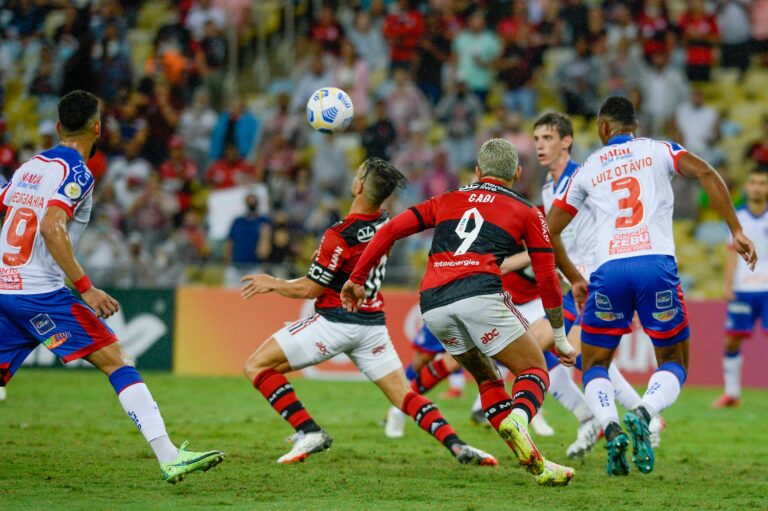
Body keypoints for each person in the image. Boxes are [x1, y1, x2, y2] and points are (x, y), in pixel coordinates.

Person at [0, 90, 223, 483]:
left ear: (57, 127)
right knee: (117, 360)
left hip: (5, 288)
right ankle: (169, 456)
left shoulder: (28, 166)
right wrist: (85, 287)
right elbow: (52, 228)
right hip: (40, 292)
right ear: (98, 129)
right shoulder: (78, 172)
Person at [342, 140, 577, 486]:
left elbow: (390, 229)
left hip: (433, 303)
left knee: (487, 378)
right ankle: (521, 417)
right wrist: (558, 336)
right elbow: (546, 276)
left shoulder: (448, 199)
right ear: (516, 174)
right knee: (533, 370)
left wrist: (357, 278)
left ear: (479, 172)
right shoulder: (527, 211)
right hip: (480, 294)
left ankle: (538, 465)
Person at [547, 96, 756, 476]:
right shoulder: (660, 150)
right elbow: (707, 173)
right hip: (656, 266)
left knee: (594, 363)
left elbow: (549, 231)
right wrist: (736, 229)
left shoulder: (588, 168)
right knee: (674, 362)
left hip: (607, 271)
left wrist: (576, 278)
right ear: (635, 126)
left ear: (603, 128)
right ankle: (643, 413)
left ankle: (611, 430)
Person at [241, 158, 496, 467]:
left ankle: (308, 430)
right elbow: (356, 258)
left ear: (359, 185)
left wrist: (272, 282)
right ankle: (458, 446)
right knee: (404, 395)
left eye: (358, 173)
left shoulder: (339, 234)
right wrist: (327, 262)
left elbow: (310, 289)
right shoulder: (385, 222)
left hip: (335, 322)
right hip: (373, 327)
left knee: (257, 367)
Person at [534, 112, 666, 453]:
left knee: (581, 355)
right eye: (536, 139)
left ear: (567, 141)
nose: (539, 146)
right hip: (572, 284)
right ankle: (589, 417)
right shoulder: (549, 188)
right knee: (537, 345)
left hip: (598, 279)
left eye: (547, 138)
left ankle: (644, 417)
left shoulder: (587, 175)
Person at [713, 169, 768, 408]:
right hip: (743, 288)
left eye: (762, 183)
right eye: (753, 182)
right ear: (747, 187)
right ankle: (732, 393)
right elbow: (732, 254)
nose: (757, 187)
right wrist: (727, 285)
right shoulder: (737, 219)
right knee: (732, 341)